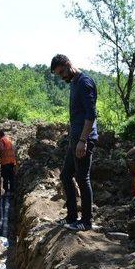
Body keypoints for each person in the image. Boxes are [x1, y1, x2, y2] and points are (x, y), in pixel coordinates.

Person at [50, 54, 98, 231]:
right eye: (58, 74)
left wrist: (83, 141)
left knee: (82, 177)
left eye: (62, 72)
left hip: (83, 140)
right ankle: (71, 216)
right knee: (65, 175)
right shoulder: (74, 83)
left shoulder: (84, 83)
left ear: (68, 64)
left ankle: (86, 221)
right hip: (75, 139)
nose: (62, 76)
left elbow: (91, 115)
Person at [0, 130, 16, 194]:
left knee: (5, 177)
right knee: (11, 177)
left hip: (5, 162)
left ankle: (6, 191)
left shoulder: (1, 140)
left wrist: (0, 159)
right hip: (12, 161)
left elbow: (2, 150)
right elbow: (13, 149)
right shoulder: (8, 139)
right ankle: (12, 190)